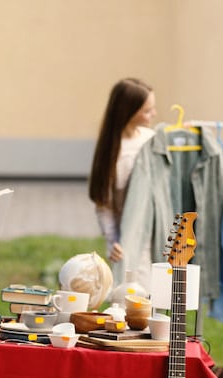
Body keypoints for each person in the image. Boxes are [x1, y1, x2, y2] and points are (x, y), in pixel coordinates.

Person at [88, 78, 156, 274]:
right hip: (130, 244)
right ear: (129, 112)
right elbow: (104, 206)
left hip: (157, 235)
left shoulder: (150, 139)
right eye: (147, 110)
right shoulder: (113, 153)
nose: (153, 114)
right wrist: (113, 242)